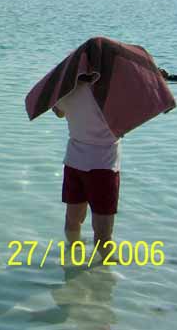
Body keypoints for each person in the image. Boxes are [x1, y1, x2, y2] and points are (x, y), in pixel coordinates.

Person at [52, 76, 120, 259]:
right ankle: (107, 271)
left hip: (74, 162)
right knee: (103, 232)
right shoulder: (116, 91)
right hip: (103, 166)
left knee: (73, 220)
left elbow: (58, 112)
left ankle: (73, 253)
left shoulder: (67, 91)